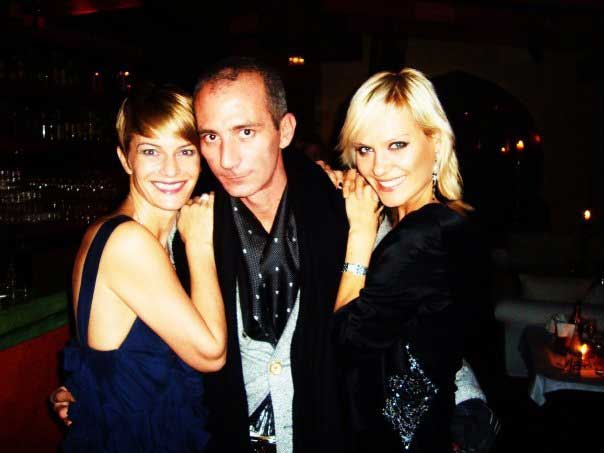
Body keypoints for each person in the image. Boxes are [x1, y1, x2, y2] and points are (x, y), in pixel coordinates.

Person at [169, 56, 353, 453]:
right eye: (211, 137)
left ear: (284, 130)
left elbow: (404, 316)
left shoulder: (345, 212)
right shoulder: (189, 227)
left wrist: (466, 401)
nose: (226, 159)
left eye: (245, 132)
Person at [56, 83, 226, 452]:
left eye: (185, 151)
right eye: (151, 151)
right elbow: (211, 355)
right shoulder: (128, 242)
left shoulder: (157, 237)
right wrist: (200, 245)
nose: (171, 169)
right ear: (125, 159)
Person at [331, 68, 488, 452]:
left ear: (436, 141)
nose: (378, 167)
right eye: (365, 150)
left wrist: (360, 234)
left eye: (397, 145)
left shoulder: (421, 236)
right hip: (424, 425)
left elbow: (344, 342)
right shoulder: (445, 220)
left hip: (394, 438)